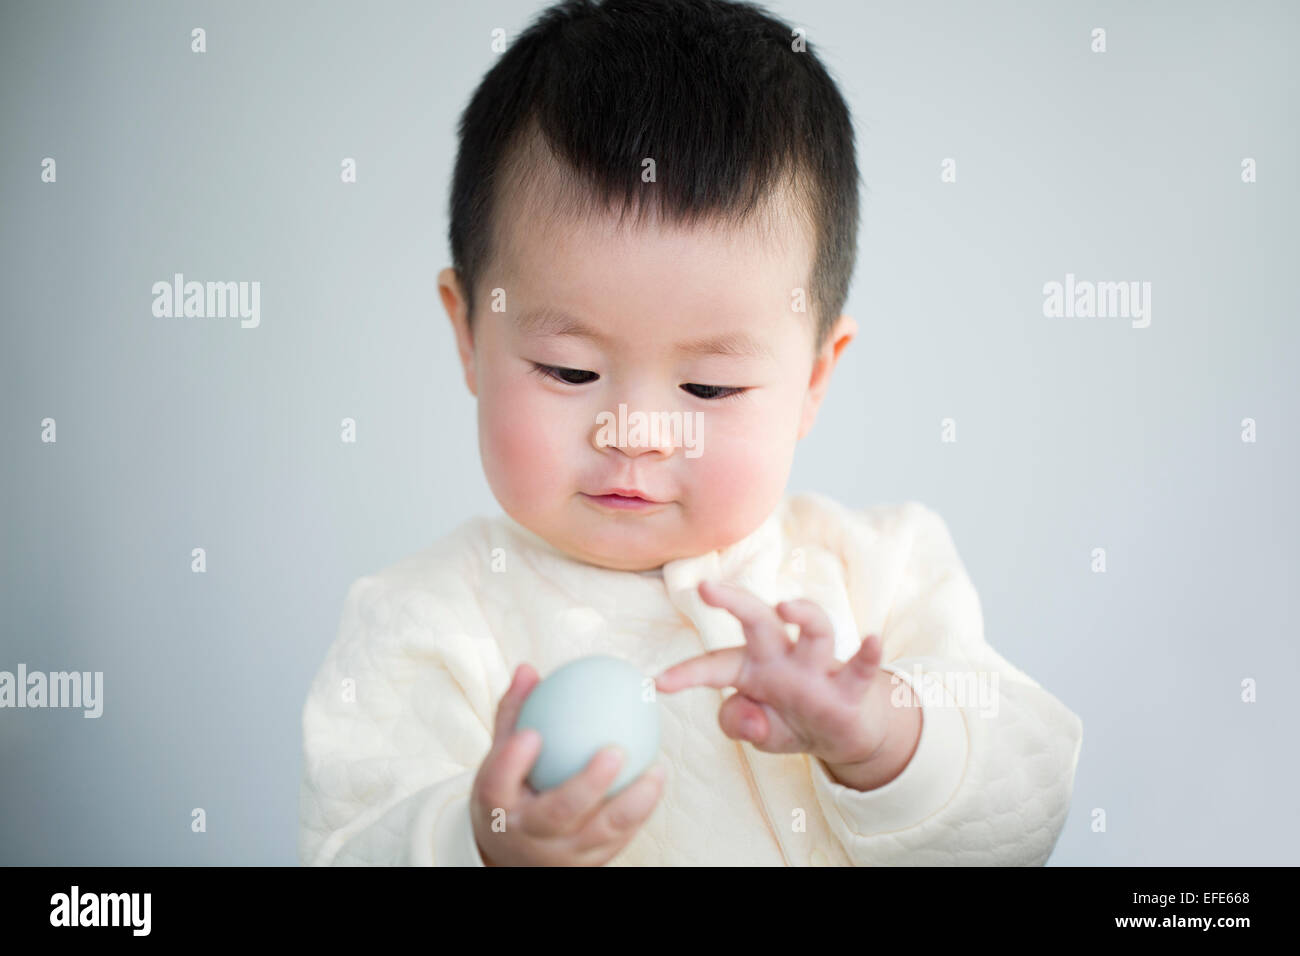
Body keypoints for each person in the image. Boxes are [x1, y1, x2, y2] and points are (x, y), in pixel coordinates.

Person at [299, 0, 1082, 866]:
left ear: (814, 378)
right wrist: (482, 839)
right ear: (468, 336)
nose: (635, 433)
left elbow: (1027, 806)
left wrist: (881, 740)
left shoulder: (879, 577)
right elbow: (345, 847)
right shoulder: (429, 623)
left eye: (710, 385)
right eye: (569, 372)